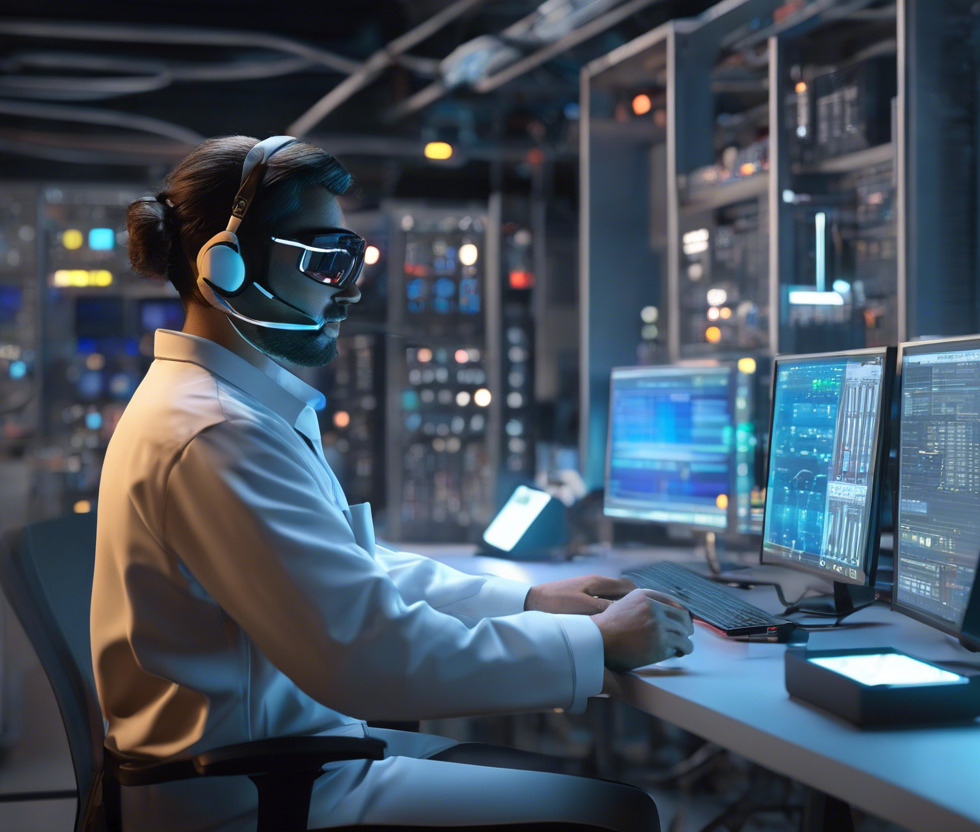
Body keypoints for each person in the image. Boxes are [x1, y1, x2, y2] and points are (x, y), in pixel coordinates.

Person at [92, 135, 695, 831]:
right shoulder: (216, 433)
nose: (350, 286)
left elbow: (352, 577)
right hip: (258, 793)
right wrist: (595, 645)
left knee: (556, 786)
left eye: (356, 258)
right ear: (224, 266)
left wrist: (530, 597)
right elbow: (365, 657)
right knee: (615, 813)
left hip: (282, 761)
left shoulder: (228, 405)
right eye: (328, 260)